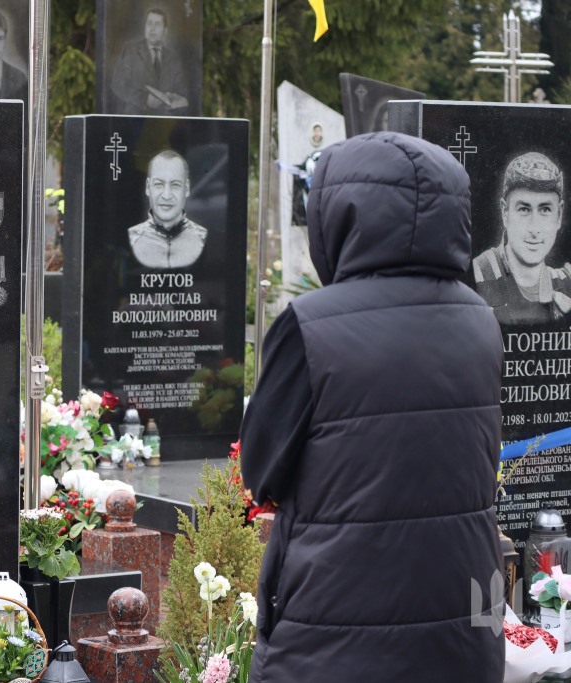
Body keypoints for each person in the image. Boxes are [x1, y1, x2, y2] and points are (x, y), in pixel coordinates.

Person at [241, 132, 504, 682]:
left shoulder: (310, 326)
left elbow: (261, 471)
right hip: (463, 628)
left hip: (335, 632)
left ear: (337, 216)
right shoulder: (481, 321)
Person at [472, 151, 571, 325]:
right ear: (505, 212)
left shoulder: (567, 284)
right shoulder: (477, 275)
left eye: (545, 209)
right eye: (524, 209)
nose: (534, 228)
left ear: (559, 215)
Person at [127, 150, 207, 269]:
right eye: (159, 184)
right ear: (148, 187)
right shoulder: (132, 238)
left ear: (186, 188)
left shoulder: (202, 237)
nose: (166, 195)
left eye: (175, 185)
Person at [110, 8, 189, 114]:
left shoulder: (173, 58)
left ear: (165, 31)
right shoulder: (131, 50)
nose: (152, 28)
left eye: (157, 24)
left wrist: (174, 99)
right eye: (149, 23)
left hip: (165, 120)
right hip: (135, 117)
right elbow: (118, 84)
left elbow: (182, 90)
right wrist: (144, 99)